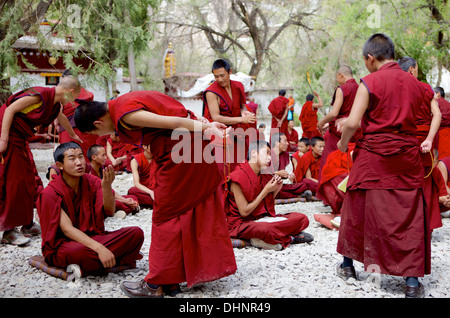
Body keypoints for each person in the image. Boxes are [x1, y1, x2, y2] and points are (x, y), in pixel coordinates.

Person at [74, 90, 237, 297]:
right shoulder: (125, 100)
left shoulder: (125, 115)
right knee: (180, 213)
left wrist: (208, 127)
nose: (102, 136)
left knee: (165, 217)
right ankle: (172, 279)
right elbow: (175, 109)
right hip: (186, 151)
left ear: (97, 124)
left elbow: (175, 122)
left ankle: (155, 284)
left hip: (181, 155)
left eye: (96, 134)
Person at [336, 33, 431, 298]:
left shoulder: (370, 81)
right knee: (408, 213)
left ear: (370, 57)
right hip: (406, 157)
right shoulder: (416, 84)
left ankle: (347, 266)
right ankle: (411, 282)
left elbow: (353, 123)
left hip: (373, 156)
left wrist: (343, 143)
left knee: (356, 206)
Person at [37, 142, 145, 276]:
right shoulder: (50, 193)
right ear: (60, 165)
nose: (79, 162)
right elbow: (67, 229)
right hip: (65, 245)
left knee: (136, 233)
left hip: (92, 237)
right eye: (72, 158)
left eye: (81, 157)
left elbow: (110, 211)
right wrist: (99, 248)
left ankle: (99, 262)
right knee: (80, 254)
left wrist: (106, 187)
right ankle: (109, 259)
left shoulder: (91, 181)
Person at [0, 75, 83, 246]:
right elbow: (9, 110)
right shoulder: (38, 96)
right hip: (8, 137)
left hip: (20, 140)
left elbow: (60, 117)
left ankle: (27, 224)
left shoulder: (54, 103)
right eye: (75, 98)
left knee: (31, 179)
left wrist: (73, 135)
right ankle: (9, 230)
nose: (74, 102)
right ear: (71, 92)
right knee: (15, 182)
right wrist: (3, 140)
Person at [225, 140, 313, 251]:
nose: (269, 158)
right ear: (253, 153)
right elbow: (244, 212)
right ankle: (289, 238)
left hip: (262, 219)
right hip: (242, 224)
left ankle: (267, 239)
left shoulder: (264, 173)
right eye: (266, 153)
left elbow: (267, 204)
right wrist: (266, 190)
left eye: (270, 154)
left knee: (302, 218)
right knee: (265, 229)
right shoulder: (237, 177)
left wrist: (276, 189)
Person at [398, 56, 442, 231]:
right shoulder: (424, 88)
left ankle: (404, 225)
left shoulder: (395, 89)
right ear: (411, 69)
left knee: (402, 183)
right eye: (416, 68)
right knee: (425, 182)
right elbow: (437, 115)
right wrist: (429, 139)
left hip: (402, 141)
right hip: (423, 139)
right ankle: (425, 226)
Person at [203, 59, 256, 174]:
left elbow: (242, 106)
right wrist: (242, 119)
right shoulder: (211, 92)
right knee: (225, 169)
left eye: (222, 75)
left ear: (229, 72)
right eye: (216, 76)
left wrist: (244, 113)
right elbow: (216, 117)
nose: (219, 79)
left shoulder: (238, 86)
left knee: (241, 165)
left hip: (237, 131)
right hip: (220, 132)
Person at [317, 66, 361, 187]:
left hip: (339, 132)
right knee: (351, 162)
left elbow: (334, 113)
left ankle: (331, 193)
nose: (337, 81)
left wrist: (321, 123)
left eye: (337, 78)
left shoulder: (342, 89)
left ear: (341, 75)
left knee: (329, 162)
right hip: (356, 131)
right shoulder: (361, 88)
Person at [86, 144, 140, 217]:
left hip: (108, 197)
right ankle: (129, 208)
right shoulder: (88, 173)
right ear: (94, 157)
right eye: (103, 155)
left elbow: (109, 189)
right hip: (98, 201)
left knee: (132, 197)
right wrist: (125, 201)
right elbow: (100, 196)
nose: (105, 158)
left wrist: (125, 199)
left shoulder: (102, 169)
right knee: (117, 203)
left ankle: (125, 209)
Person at [265, 132, 316, 201]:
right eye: (285, 141)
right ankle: (299, 195)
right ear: (277, 143)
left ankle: (298, 194)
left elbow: (289, 172)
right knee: (274, 191)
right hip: (267, 184)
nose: (287, 143)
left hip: (280, 185)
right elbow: (262, 173)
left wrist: (290, 176)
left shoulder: (285, 155)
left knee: (302, 185)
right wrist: (277, 173)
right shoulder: (267, 154)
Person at [127, 144, 157, 208]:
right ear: (144, 146)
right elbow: (136, 183)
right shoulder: (135, 160)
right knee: (132, 191)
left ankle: (156, 202)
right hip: (145, 190)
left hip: (158, 189)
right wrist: (151, 192)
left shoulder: (158, 158)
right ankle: (161, 202)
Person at [434, 87, 450, 159]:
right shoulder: (448, 104)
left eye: (433, 93)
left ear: (438, 94)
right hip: (447, 132)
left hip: (440, 133)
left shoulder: (436, 102)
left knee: (441, 158)